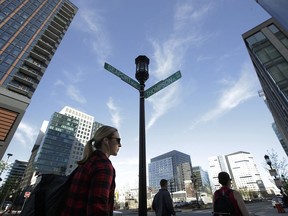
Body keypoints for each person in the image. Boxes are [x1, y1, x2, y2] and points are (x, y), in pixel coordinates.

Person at [61, 125, 122, 216]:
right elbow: (97, 209)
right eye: (118, 140)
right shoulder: (103, 166)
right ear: (106, 140)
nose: (120, 145)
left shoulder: (88, 162)